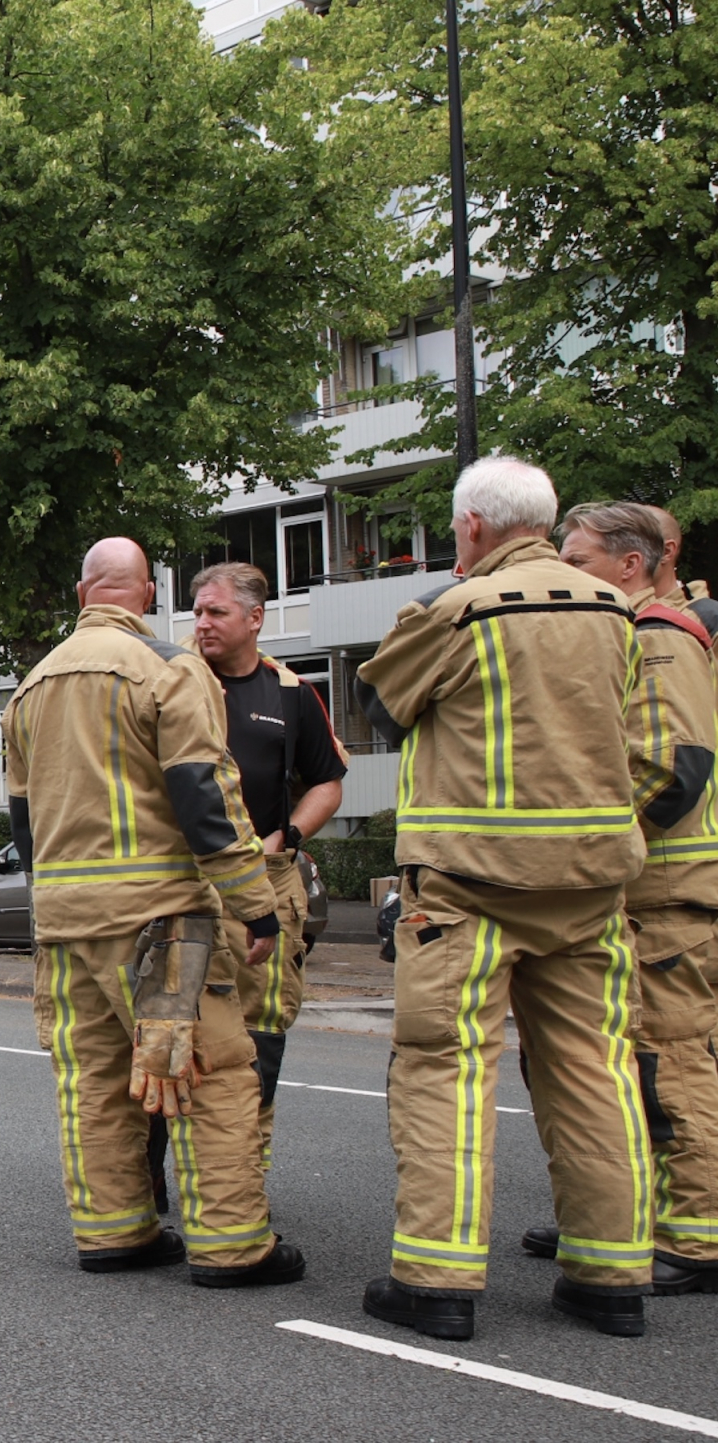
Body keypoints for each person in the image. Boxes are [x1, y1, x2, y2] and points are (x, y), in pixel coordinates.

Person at [356, 456, 666, 1341]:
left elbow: (384, 704)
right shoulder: (618, 611)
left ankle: (438, 1281)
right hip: (592, 886)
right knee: (594, 1072)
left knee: (445, 1069)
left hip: (469, 884)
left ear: (472, 528)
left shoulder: (460, 610)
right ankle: (611, 1280)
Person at [3, 536, 304, 1286]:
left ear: (84, 596)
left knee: (95, 1081)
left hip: (67, 925)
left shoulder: (29, 687)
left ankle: (114, 1231)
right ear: (146, 596)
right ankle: (233, 1244)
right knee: (210, 1072)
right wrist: (256, 908)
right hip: (164, 923)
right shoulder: (171, 670)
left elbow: (22, 821)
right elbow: (208, 798)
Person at [515, 501, 718, 1297]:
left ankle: (695, 1238)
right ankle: (615, 1219)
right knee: (615, 1068)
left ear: (631, 565)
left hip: (664, 895)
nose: (564, 573)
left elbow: (673, 767)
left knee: (669, 1065)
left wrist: (583, 844)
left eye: (578, 558)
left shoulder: (659, 633)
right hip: (640, 892)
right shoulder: (619, 627)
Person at [189, 561, 349, 1161]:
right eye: (198, 611)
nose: (202, 623)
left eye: (216, 612)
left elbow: (328, 782)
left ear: (256, 619)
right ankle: (151, 1174)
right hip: (183, 880)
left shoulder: (290, 693)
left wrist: (288, 835)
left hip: (264, 882)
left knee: (260, 1028)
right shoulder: (170, 678)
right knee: (166, 1025)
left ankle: (242, 1170)